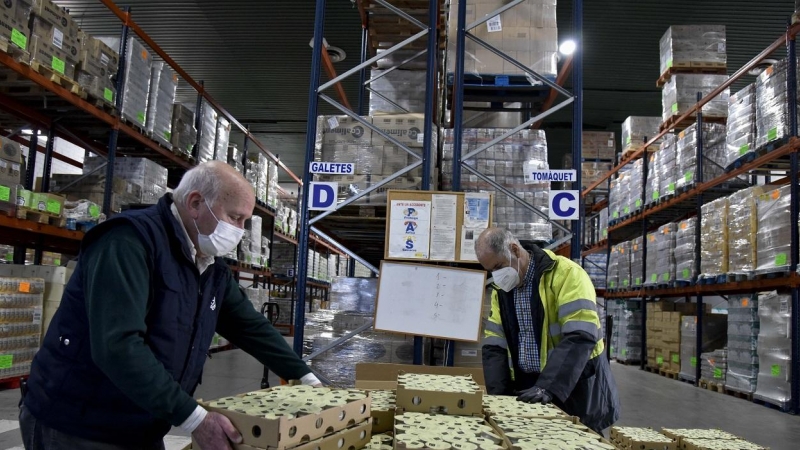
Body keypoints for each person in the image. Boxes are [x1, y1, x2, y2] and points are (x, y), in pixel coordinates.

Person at [20, 161, 320, 450]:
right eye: (235, 217)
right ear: (195, 203)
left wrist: (306, 377)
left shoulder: (207, 263)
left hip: (142, 422)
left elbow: (248, 325)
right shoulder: (128, 241)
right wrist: (195, 418)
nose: (239, 231)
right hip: (79, 424)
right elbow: (118, 346)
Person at [475, 227, 619, 434]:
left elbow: (580, 335)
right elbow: (494, 346)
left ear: (515, 250)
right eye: (491, 271)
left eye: (498, 267)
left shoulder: (567, 274)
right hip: (530, 388)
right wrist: (499, 398)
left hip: (573, 385)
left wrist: (549, 386)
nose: (496, 276)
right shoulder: (502, 291)